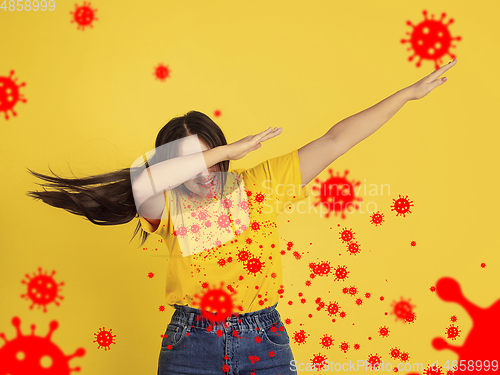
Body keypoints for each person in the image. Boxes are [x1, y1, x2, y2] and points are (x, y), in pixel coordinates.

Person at [26, 59, 456, 375]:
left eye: (210, 157)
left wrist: (407, 94)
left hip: (263, 343)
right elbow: (144, 179)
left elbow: (336, 140)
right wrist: (224, 151)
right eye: (190, 160)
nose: (203, 170)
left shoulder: (260, 184)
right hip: (190, 344)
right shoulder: (164, 205)